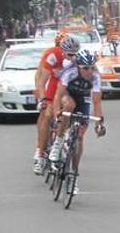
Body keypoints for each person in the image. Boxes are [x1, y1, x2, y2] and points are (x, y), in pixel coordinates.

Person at [48, 49, 106, 194]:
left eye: (92, 67)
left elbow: (97, 102)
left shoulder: (96, 77)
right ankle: (58, 142)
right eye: (85, 68)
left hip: (83, 98)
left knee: (79, 137)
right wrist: (57, 114)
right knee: (69, 106)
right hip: (67, 94)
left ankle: (73, 176)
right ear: (78, 67)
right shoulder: (70, 72)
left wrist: (99, 124)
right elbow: (57, 96)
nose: (89, 71)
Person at [32, 34, 80, 175]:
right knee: (46, 114)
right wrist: (42, 99)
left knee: (69, 107)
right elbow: (41, 80)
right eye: (68, 54)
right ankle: (40, 153)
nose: (71, 57)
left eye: (73, 54)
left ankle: (61, 137)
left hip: (67, 87)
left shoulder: (78, 60)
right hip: (54, 84)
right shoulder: (52, 55)